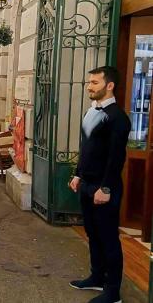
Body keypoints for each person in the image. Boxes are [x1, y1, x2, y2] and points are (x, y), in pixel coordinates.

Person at [68, 66, 131, 303]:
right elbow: (87, 150)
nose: (89, 86)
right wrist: (77, 174)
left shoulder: (118, 118)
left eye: (95, 83)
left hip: (105, 188)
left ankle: (113, 291)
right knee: (92, 235)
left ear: (109, 85)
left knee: (108, 239)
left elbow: (116, 159)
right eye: (89, 82)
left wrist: (105, 188)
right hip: (87, 183)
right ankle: (96, 277)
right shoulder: (91, 112)